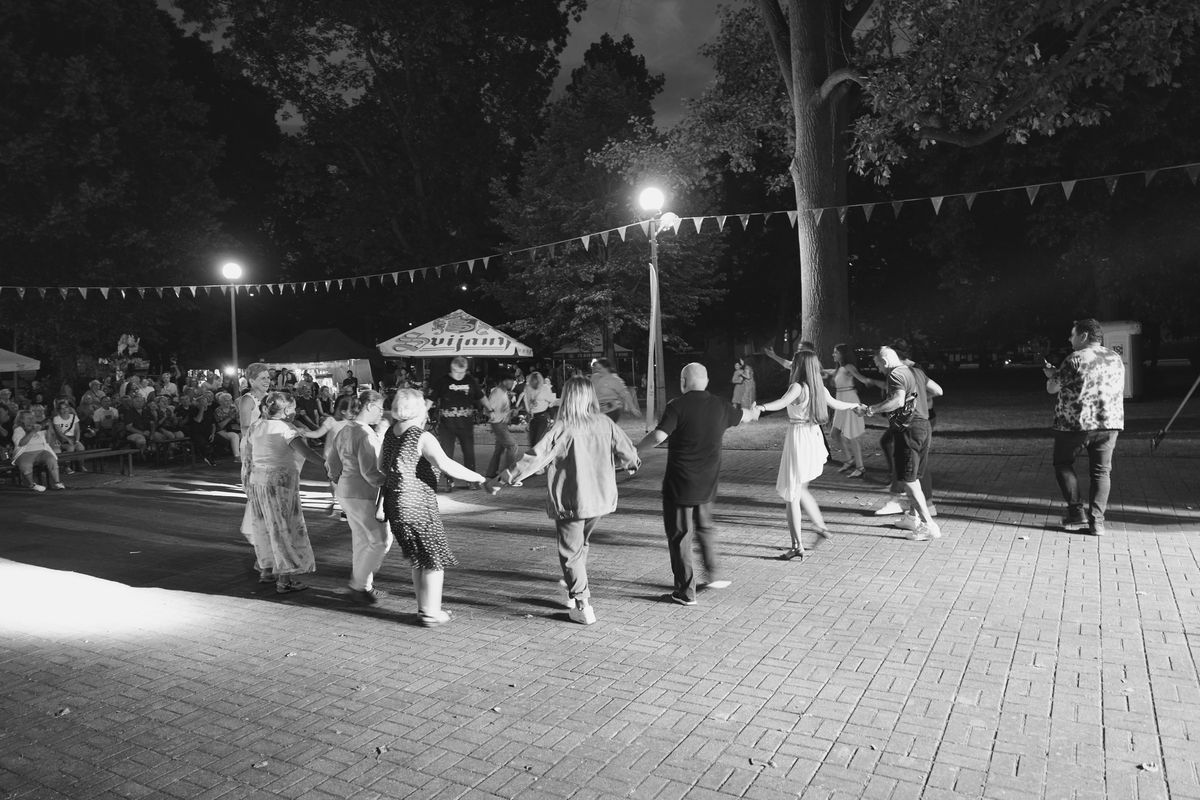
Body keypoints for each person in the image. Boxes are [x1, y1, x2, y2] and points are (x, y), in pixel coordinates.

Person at [486, 378, 640, 625]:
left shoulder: (563, 427)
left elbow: (535, 458)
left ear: (568, 398)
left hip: (572, 500)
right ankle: (573, 586)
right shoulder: (605, 423)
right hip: (600, 499)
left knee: (571, 553)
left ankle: (583, 605)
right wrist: (631, 464)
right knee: (581, 546)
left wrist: (503, 479)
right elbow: (629, 454)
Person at [636, 363, 758, 605]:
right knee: (705, 528)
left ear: (683, 382)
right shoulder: (720, 405)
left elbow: (659, 435)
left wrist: (634, 449)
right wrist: (755, 412)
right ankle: (714, 575)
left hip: (680, 485)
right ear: (706, 381)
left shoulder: (677, 406)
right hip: (707, 484)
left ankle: (685, 592)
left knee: (681, 536)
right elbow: (746, 416)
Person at [380, 388, 488, 627]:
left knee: (419, 559)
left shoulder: (391, 433)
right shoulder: (421, 436)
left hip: (396, 505)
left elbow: (381, 467)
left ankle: (424, 609)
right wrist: (480, 478)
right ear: (419, 409)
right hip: (418, 506)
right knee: (433, 560)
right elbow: (446, 465)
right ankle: (432, 613)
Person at [755, 352, 860, 560]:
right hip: (812, 436)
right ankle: (813, 531)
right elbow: (836, 404)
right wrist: (855, 406)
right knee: (799, 489)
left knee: (792, 495)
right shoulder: (819, 388)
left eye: (794, 363)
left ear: (799, 366)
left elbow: (782, 402)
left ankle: (797, 546)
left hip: (799, 438)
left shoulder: (798, 387)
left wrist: (761, 407)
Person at [1043, 318, 1124, 536]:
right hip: (1109, 423)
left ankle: (1076, 511)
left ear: (1084, 336)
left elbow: (1052, 388)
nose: (1070, 339)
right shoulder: (1114, 358)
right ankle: (1097, 522)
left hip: (1076, 424)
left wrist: (1052, 375)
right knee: (1101, 472)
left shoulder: (1076, 358)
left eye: (1072, 334)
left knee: (1063, 463)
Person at [241, 392, 327, 593]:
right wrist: (328, 465)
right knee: (283, 528)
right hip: (280, 485)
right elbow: (307, 453)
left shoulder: (256, 427)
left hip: (258, 483)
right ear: (287, 410)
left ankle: (267, 570)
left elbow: (248, 458)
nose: (295, 411)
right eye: (294, 407)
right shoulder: (286, 429)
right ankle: (284, 579)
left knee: (264, 527)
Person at [859, 346, 940, 541]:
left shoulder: (895, 374)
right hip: (924, 426)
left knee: (908, 479)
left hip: (909, 430)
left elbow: (897, 401)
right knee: (915, 476)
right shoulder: (916, 372)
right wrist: (918, 399)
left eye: (878, 365)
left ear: (885, 361)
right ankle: (912, 518)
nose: (879, 370)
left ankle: (929, 525)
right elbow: (938, 390)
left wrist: (869, 410)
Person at [326, 390, 393, 603]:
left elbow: (331, 463)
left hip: (346, 491)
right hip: (363, 493)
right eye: (380, 408)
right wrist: (390, 483)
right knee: (381, 541)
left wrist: (339, 479)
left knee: (363, 541)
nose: (381, 413)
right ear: (370, 406)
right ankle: (358, 586)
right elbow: (370, 472)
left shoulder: (345, 430)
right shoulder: (364, 434)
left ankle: (363, 585)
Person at [429, 356, 487, 492]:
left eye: (463, 372)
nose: (460, 376)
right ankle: (449, 482)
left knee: (469, 453)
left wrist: (490, 409)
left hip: (465, 425)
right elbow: (430, 399)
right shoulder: (442, 381)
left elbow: (481, 396)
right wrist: (421, 415)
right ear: (452, 369)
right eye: (457, 372)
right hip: (447, 426)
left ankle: (471, 481)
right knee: (446, 455)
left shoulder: (470, 380)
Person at [301, 395, 357, 518]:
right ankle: (337, 504)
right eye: (351, 411)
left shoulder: (353, 423)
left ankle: (342, 508)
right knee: (334, 484)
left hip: (346, 459)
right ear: (343, 411)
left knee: (345, 485)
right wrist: (304, 433)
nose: (354, 413)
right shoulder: (331, 421)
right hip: (331, 460)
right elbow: (317, 433)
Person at [823, 344, 870, 477]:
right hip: (841, 402)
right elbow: (831, 371)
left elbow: (858, 376)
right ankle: (848, 460)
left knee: (851, 436)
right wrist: (820, 370)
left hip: (850, 401)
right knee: (835, 434)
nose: (833, 354)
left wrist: (866, 380)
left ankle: (860, 468)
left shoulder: (848, 367)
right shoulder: (839, 369)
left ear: (843, 354)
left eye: (836, 352)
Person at [11, 409, 63, 491]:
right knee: (25, 465)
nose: (31, 420)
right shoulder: (18, 429)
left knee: (51, 459)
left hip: (41, 451)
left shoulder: (38, 426)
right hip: (25, 452)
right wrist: (33, 431)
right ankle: (32, 485)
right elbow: (21, 443)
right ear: (22, 420)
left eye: (32, 418)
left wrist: (49, 430)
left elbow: (49, 442)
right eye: (28, 418)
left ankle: (57, 482)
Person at [486, 371, 520, 479]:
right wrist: (493, 416)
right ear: (504, 381)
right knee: (512, 446)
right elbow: (487, 408)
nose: (512, 383)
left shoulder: (503, 392)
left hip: (501, 423)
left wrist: (509, 413)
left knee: (499, 449)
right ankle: (509, 472)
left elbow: (500, 409)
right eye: (510, 381)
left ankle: (491, 472)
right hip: (498, 424)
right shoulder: (497, 393)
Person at [589, 358, 637, 423]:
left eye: (600, 368)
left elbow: (625, 394)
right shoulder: (594, 377)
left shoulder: (615, 380)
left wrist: (633, 408)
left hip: (611, 411)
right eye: (596, 368)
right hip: (597, 411)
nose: (597, 370)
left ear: (606, 368)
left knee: (606, 428)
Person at [519, 371, 557, 448]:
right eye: (533, 383)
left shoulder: (545, 388)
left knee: (538, 442)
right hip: (532, 418)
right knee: (533, 444)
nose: (535, 385)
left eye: (537, 383)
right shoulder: (528, 389)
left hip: (542, 417)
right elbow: (527, 403)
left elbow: (552, 401)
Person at [50, 397, 87, 474]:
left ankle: (81, 465)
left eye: (66, 407)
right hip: (62, 439)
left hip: (73, 438)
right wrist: (68, 440)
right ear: (59, 410)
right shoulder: (56, 418)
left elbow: (77, 430)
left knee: (81, 448)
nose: (64, 410)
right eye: (62, 408)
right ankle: (67, 466)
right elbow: (59, 432)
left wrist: (77, 441)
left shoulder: (74, 417)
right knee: (70, 448)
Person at [212, 392, 241, 460]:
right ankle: (237, 456)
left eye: (230, 400)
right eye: (226, 401)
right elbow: (220, 426)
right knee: (234, 436)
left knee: (243, 435)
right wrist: (230, 417)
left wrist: (238, 414)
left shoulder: (233, 408)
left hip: (234, 428)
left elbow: (238, 421)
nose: (229, 402)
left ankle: (245, 454)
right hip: (222, 430)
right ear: (221, 402)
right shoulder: (218, 411)